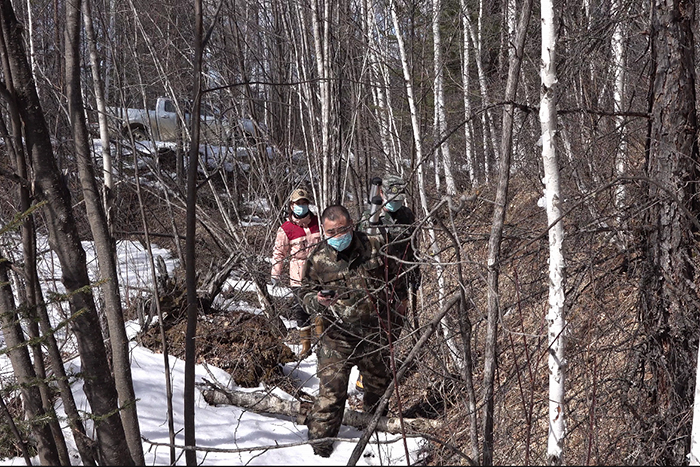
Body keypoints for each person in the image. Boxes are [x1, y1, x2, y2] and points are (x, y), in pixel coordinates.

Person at [300, 204, 408, 457]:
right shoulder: (317, 259)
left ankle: (375, 439)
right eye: (331, 232)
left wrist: (397, 319)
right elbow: (304, 294)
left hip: (374, 336)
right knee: (330, 396)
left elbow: (398, 279)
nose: (338, 236)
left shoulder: (374, 245)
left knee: (379, 391)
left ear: (352, 225)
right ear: (323, 231)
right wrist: (318, 301)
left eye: (342, 229)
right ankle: (320, 449)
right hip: (336, 340)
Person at [356, 174, 420, 391]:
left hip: (400, 279)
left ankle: (383, 364)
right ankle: (367, 373)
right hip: (376, 282)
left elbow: (413, 246)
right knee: (376, 327)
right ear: (382, 193)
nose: (395, 203)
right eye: (392, 198)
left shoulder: (407, 215)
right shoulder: (370, 217)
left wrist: (415, 271)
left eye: (399, 199)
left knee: (397, 323)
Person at [270, 188, 322, 357]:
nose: (301, 206)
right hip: (298, 276)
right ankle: (306, 346)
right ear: (292, 206)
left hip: (320, 273)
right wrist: (275, 274)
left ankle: (322, 343)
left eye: (304, 203)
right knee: (301, 310)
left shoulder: (319, 222)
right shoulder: (286, 229)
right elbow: (279, 253)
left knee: (321, 307)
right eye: (298, 203)